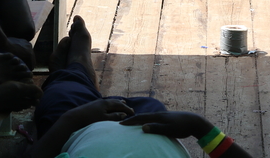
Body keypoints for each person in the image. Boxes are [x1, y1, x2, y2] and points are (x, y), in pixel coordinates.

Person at [28, 16, 255, 158]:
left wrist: (73, 119)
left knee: (61, 97)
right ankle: (78, 69)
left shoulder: (73, 123)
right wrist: (200, 127)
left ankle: (75, 68)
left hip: (77, 132)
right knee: (149, 106)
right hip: (144, 127)